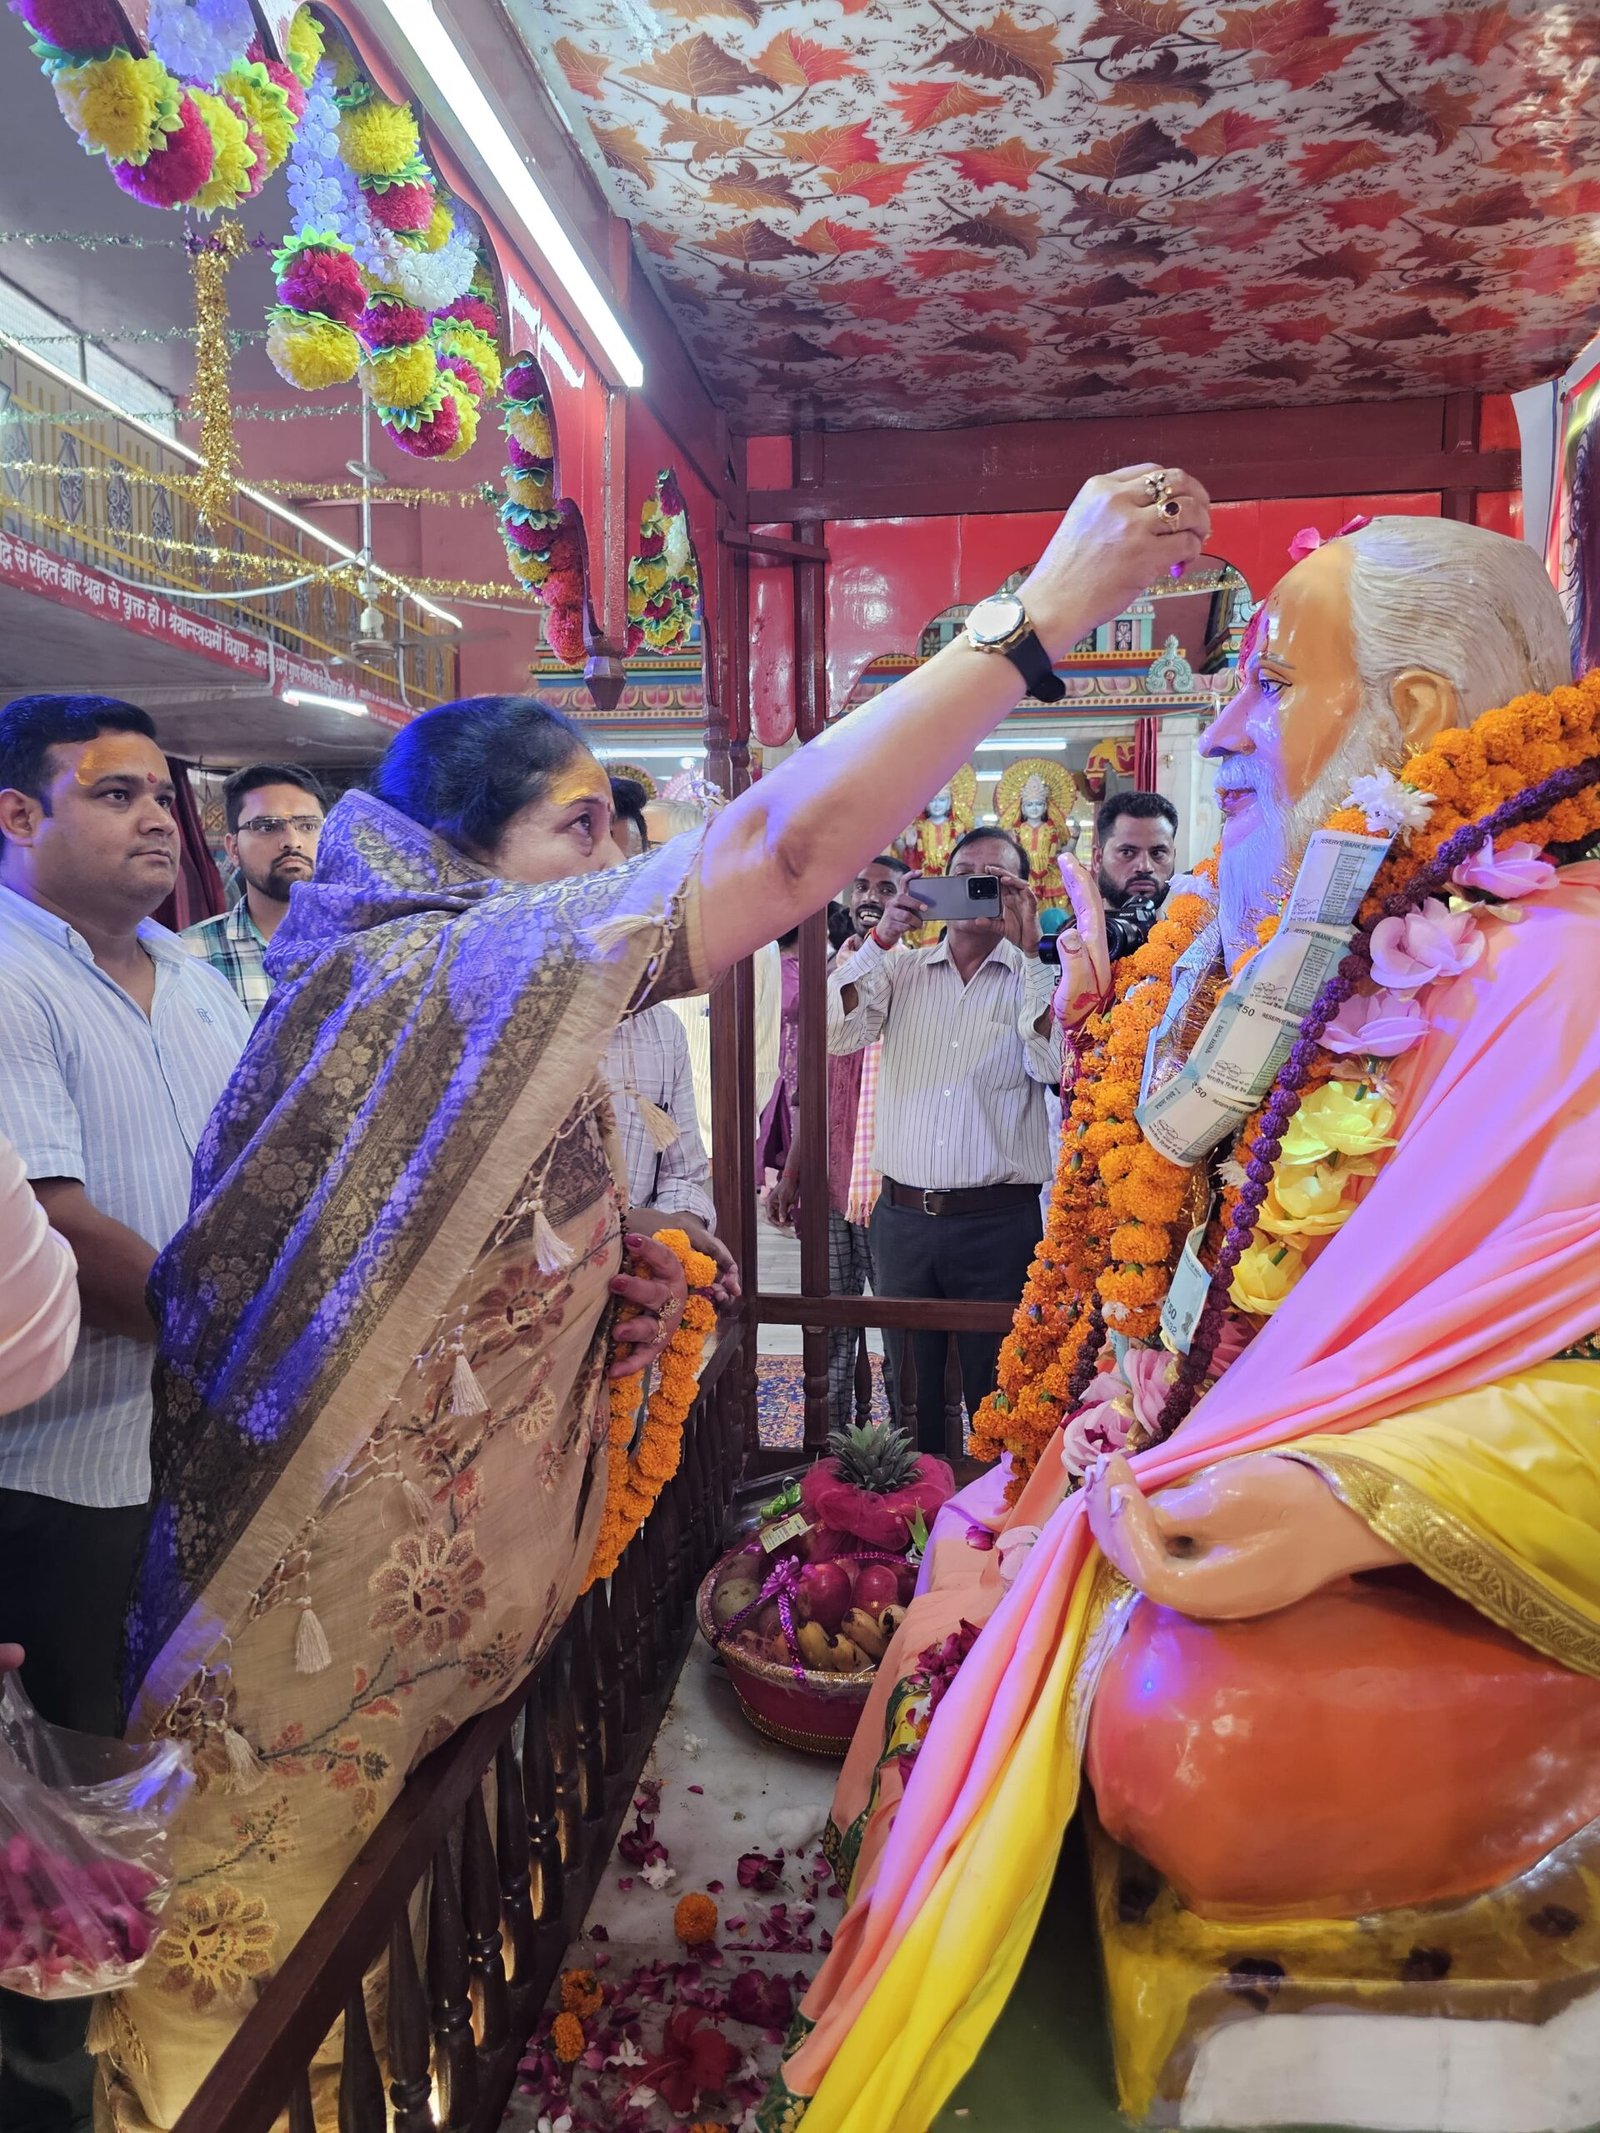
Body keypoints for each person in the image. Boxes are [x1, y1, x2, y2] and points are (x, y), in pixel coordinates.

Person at [101, 465, 1208, 2131]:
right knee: (233, 2000)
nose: (615, 857)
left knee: (369, 1965)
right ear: (469, 851)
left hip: (408, 1622)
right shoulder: (432, 966)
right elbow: (772, 851)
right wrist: (1034, 617)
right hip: (295, 1616)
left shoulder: (432, 971)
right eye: (582, 828)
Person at [769, 513, 1600, 2133]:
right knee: (991, 1536)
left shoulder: (1556, 982)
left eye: (1267, 677)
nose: (1223, 725)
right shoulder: (1312, 958)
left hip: (1429, 1542)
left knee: (1189, 1733)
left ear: (1422, 716)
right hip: (1194, 1466)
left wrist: (1361, 1499)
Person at [0, 693, 251, 2133]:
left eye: (164, 792)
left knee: (150, 1756)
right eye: (112, 793)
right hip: (55, 1460)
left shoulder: (191, 973)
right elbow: (55, 1227)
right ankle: (48, 2088)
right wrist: (251, 1337)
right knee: (57, 1797)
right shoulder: (13, 972)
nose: (158, 816)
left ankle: (134, 2048)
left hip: (187, 1436)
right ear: (19, 817)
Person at [827, 827, 1061, 1456]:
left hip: (1000, 1221)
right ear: (938, 884)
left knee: (1001, 1390)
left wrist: (1035, 950)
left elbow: (1053, 1063)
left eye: (996, 878)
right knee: (912, 1389)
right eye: (964, 874)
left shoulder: (1036, 975)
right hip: (903, 1218)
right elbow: (837, 1032)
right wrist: (884, 935)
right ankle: (917, 1522)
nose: (977, 888)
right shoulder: (899, 970)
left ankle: (995, 1521)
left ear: (1020, 890)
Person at [767, 855, 907, 1427]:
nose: (870, 896)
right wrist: (795, 1170)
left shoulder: (917, 971)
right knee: (830, 1325)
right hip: (829, 1178)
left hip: (894, 1185)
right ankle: (833, 1446)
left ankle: (911, 1448)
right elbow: (810, 1087)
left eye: (885, 888)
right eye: (862, 886)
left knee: (903, 1331)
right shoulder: (828, 973)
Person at [602, 779, 736, 1303]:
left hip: (644, 1279)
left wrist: (679, 1226)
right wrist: (644, 1225)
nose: (616, 887)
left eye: (632, 870)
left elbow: (683, 1169)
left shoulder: (661, 1024)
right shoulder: (523, 1015)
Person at [180, 762, 328, 1020]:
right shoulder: (189, 957)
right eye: (267, 827)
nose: (292, 842)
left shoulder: (363, 944)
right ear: (234, 848)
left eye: (308, 825)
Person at [1094, 788, 1178, 912]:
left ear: (1173, 856)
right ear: (1098, 859)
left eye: (1157, 853)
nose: (1145, 867)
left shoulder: (1198, 931)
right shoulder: (1073, 931)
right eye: (1127, 852)